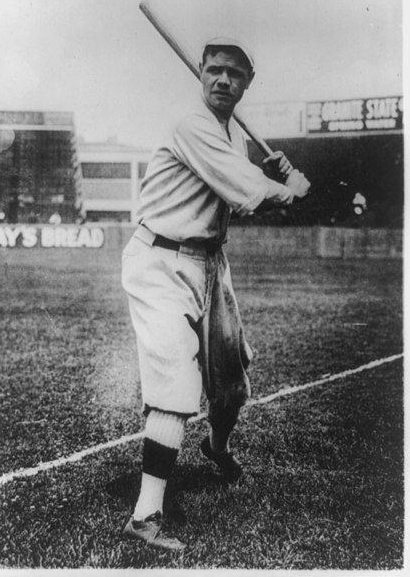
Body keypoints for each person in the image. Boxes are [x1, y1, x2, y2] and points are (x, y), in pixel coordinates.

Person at [121, 36, 310, 551]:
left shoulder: (234, 137)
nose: (223, 80)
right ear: (201, 73)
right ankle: (145, 515)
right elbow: (248, 196)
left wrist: (259, 173)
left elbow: (238, 183)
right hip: (160, 260)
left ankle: (215, 448)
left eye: (235, 74)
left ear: (248, 82)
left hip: (208, 262)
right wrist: (286, 190)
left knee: (233, 385)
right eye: (215, 71)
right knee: (176, 386)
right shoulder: (192, 124)